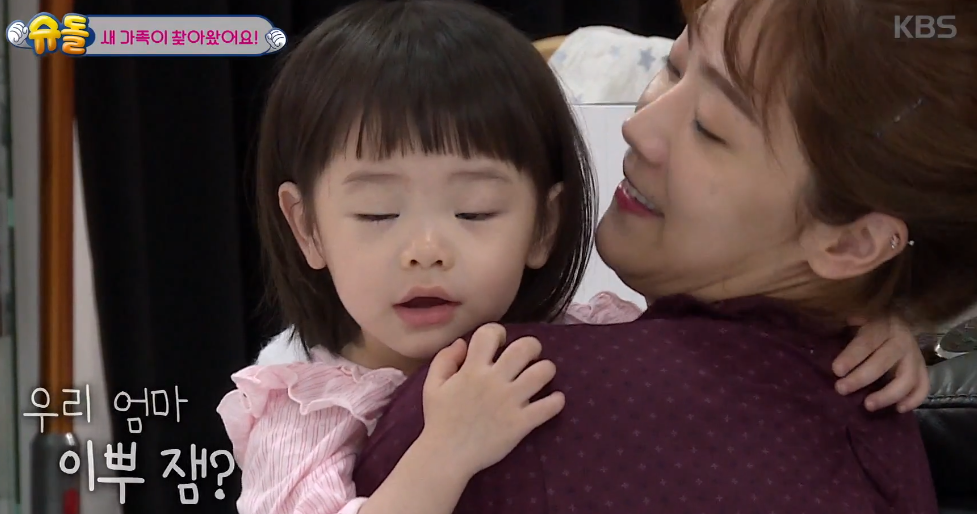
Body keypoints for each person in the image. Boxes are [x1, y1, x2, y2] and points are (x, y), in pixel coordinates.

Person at [218, 1, 930, 514]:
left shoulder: (592, 333)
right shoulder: (304, 408)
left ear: (542, 225)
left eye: (474, 212)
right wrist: (444, 452)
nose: (425, 251)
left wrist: (869, 322)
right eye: (377, 214)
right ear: (307, 228)